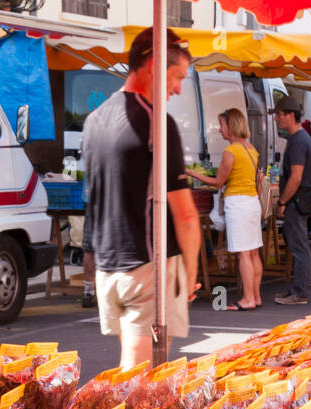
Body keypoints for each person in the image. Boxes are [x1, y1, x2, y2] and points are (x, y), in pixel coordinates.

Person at [83, 29, 198, 370]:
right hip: (149, 266)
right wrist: (190, 277)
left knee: (135, 374)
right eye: (177, 77)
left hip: (110, 267)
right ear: (153, 65)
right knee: (140, 381)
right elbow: (186, 215)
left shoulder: (94, 120)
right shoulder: (157, 124)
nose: (177, 88)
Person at [187, 108, 263, 311]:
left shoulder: (231, 151)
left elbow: (218, 183)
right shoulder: (250, 148)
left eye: (221, 124)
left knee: (243, 254)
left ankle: (247, 298)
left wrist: (191, 173)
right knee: (253, 252)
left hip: (238, 204)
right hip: (252, 202)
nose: (220, 130)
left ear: (231, 125)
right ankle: (255, 296)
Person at [273, 95, 311, 306]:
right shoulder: (300, 138)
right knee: (298, 245)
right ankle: (296, 289)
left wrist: (282, 201)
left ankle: (299, 292)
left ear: (290, 115)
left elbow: (296, 177)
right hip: (299, 200)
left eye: (279, 115)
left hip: (296, 201)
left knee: (299, 247)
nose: (276, 119)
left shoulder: (298, 140)